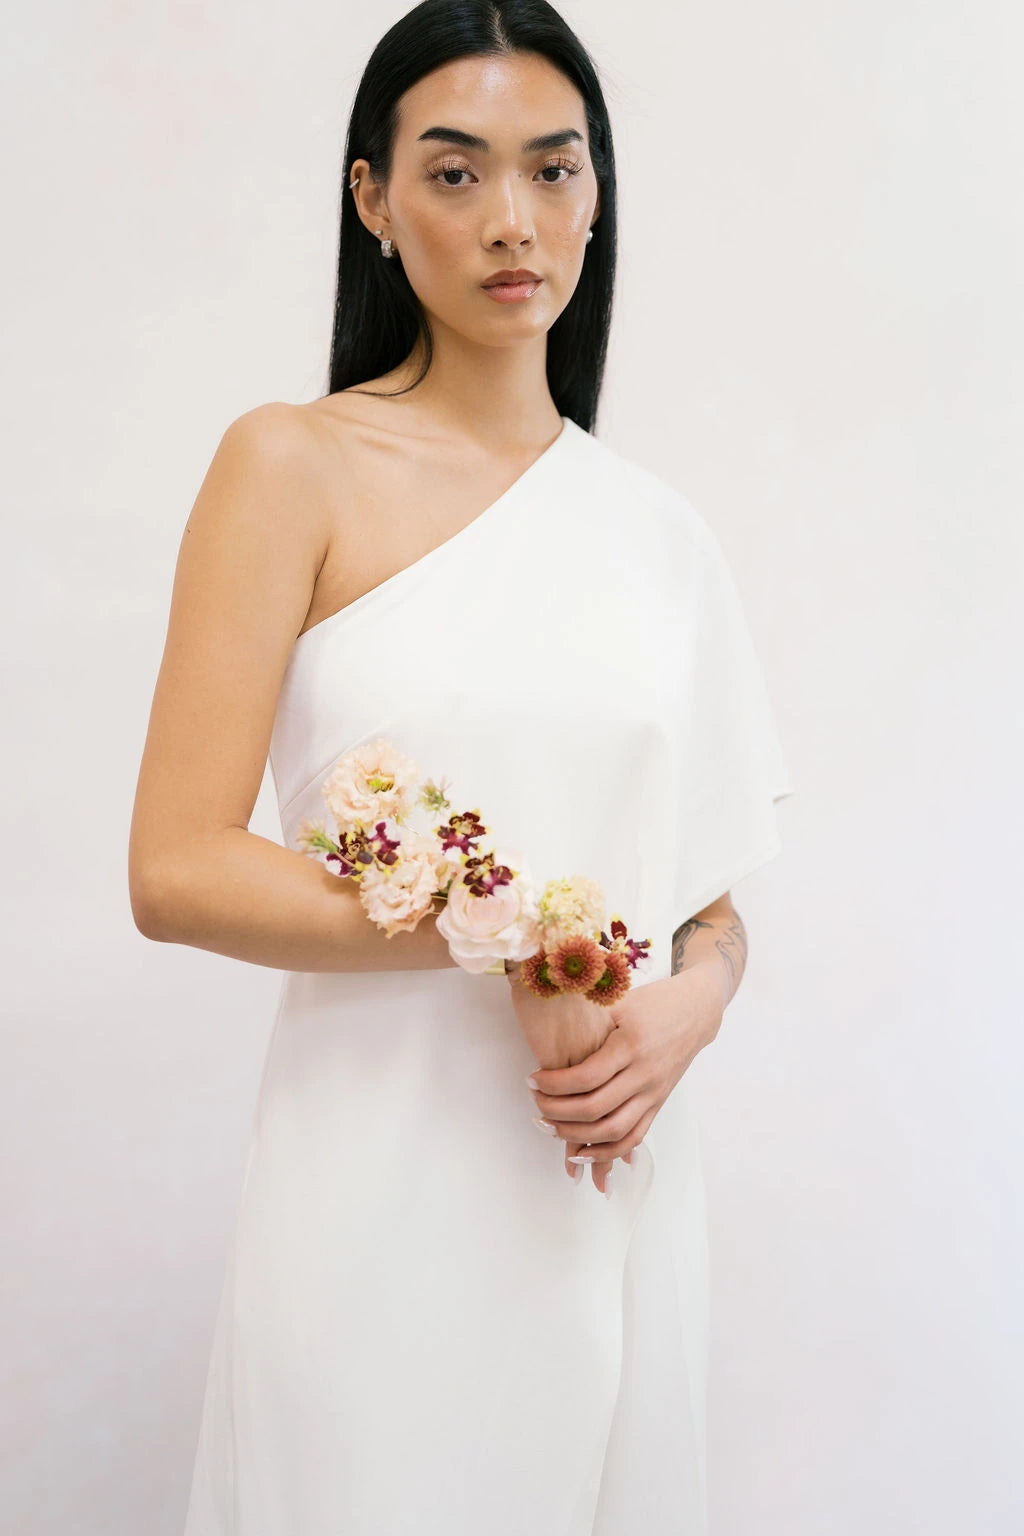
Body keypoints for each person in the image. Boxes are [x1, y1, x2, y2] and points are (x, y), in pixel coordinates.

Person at [128, 2, 793, 1531]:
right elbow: (175, 866)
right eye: (455, 173)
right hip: (372, 1189)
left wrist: (689, 1008)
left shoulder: (658, 537)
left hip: (602, 1177)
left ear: (597, 196)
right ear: (370, 198)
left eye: (555, 172)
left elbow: (707, 899)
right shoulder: (291, 465)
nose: (515, 221)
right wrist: (508, 934)